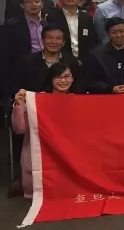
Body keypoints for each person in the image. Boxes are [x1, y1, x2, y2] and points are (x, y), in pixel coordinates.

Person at [12, 62, 77, 198]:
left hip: (67, 158)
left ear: (72, 79)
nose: (63, 80)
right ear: (50, 79)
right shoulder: (37, 100)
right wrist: (19, 104)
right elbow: (20, 129)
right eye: (58, 77)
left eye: (66, 76)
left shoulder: (76, 101)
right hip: (41, 157)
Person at [3, 0, 48, 96]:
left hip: (45, 68)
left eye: (37, 1)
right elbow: (5, 53)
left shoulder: (46, 24)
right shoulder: (11, 25)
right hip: (21, 71)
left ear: (42, 4)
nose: (34, 4)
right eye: (29, 1)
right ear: (22, 5)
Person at [17, 24, 85, 93]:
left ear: (63, 42)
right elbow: (19, 87)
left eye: (58, 38)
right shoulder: (27, 61)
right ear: (42, 40)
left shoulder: (72, 62)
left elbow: (78, 87)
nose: (54, 42)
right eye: (50, 38)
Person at [86, 17, 124, 94]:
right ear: (108, 33)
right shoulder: (96, 54)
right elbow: (90, 82)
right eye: (114, 32)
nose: (118, 35)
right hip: (105, 97)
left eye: (121, 31)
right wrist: (110, 89)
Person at [47, 0, 98, 65]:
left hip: (84, 63)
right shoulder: (52, 17)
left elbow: (93, 41)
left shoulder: (86, 17)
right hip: (60, 63)